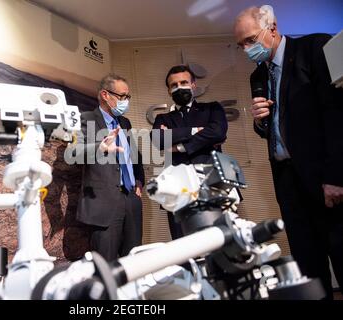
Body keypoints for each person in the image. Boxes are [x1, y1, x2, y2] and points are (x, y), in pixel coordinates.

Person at [234, 5, 343, 299]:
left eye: (250, 40)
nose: (246, 49)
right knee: (308, 266)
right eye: (241, 44)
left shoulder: (314, 48)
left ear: (272, 27)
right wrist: (259, 123)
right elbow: (273, 131)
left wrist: (336, 175)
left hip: (326, 181)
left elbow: (336, 115)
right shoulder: (258, 77)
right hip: (288, 182)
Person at [71, 73, 145, 261]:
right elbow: (74, 154)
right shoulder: (85, 119)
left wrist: (139, 181)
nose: (126, 101)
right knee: (106, 264)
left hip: (131, 199)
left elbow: (133, 155)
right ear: (105, 95)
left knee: (134, 261)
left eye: (128, 97)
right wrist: (100, 147)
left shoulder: (125, 123)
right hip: (104, 202)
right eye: (122, 96)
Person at [151, 65, 228, 240]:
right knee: (184, 245)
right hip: (178, 189)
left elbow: (218, 133)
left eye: (184, 82)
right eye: (174, 85)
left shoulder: (212, 109)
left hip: (212, 183)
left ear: (193, 85)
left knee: (222, 242)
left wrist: (179, 146)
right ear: (169, 91)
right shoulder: (162, 118)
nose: (180, 87)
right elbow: (158, 140)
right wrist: (196, 131)